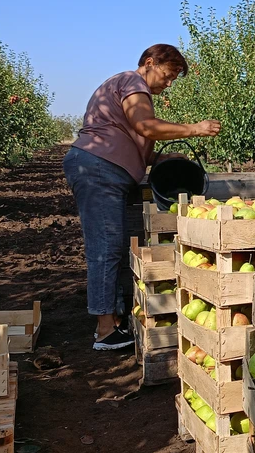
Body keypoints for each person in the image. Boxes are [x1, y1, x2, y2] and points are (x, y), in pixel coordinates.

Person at [63, 44, 221, 350]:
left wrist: (158, 160)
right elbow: (145, 126)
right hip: (98, 169)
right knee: (106, 246)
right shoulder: (133, 83)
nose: (169, 82)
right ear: (149, 63)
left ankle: (114, 320)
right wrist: (194, 129)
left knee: (111, 244)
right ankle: (105, 331)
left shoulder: (125, 87)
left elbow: (131, 139)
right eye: (168, 73)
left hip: (102, 168)